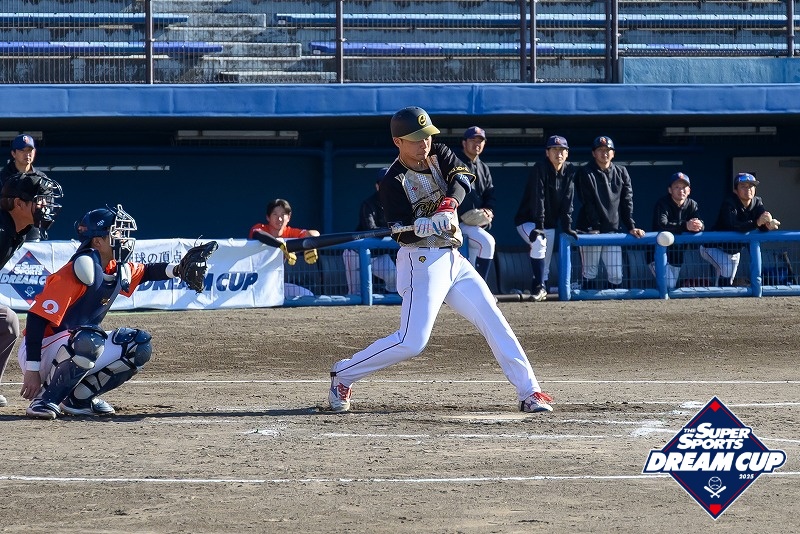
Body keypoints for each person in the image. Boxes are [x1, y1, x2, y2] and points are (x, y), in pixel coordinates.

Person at [327, 106, 553, 414]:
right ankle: (343, 374)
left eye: (427, 136)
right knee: (412, 342)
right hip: (420, 262)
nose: (424, 143)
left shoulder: (439, 152)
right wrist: (416, 227)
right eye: (416, 139)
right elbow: (401, 233)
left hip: (454, 259)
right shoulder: (393, 181)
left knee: (493, 318)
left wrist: (448, 205)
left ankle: (530, 391)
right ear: (398, 142)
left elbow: (463, 178)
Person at [20, 204, 210, 419]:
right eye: (116, 233)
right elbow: (36, 318)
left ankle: (78, 399)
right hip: (42, 349)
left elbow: (147, 271)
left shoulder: (114, 267)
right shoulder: (77, 271)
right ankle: (45, 400)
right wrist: (32, 370)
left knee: (137, 344)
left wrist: (178, 269)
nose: (123, 238)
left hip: (76, 344)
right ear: (98, 241)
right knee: (90, 339)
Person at [0, 172, 63, 409]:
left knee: (7, 323)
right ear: (18, 203)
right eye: (39, 200)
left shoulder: (17, 230)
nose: (45, 205)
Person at [575, 136, 645, 289]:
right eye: (600, 150)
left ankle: (611, 305)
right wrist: (595, 226)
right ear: (593, 153)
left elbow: (627, 201)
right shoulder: (585, 172)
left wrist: (631, 226)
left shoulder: (621, 171)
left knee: (616, 274)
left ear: (613, 153)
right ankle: (583, 302)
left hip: (612, 230)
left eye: (607, 150)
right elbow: (587, 202)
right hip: (590, 230)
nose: (604, 153)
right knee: (590, 272)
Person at [514, 135, 577, 301]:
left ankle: (539, 290)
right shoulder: (540, 168)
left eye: (562, 150)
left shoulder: (570, 170)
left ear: (567, 153)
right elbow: (538, 198)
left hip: (548, 224)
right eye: (554, 149)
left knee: (545, 264)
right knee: (539, 242)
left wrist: (567, 225)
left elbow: (568, 200)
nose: (558, 153)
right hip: (527, 221)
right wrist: (539, 225)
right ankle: (540, 287)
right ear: (547, 152)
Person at [699, 172, 780, 287]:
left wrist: (768, 225)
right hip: (713, 247)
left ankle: (720, 295)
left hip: (734, 250)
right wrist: (757, 222)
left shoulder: (757, 202)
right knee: (726, 269)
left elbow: (761, 223)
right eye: (743, 186)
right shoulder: (729, 203)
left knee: (728, 280)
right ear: (736, 190)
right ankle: (720, 295)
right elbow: (733, 226)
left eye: (751, 186)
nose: (748, 189)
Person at [249, 198, 320, 297]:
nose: (279, 219)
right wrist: (281, 245)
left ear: (289, 218)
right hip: (253, 284)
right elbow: (258, 234)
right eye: (275, 214)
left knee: (308, 295)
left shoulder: (290, 232)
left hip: (276, 283)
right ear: (268, 217)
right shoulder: (260, 228)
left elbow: (314, 233)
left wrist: (311, 245)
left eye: (283, 215)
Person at [342, 168, 398, 295]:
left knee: (394, 277)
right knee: (356, 292)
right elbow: (371, 229)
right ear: (377, 186)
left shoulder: (397, 204)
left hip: (378, 255)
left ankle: (388, 303)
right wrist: (392, 231)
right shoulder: (368, 204)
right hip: (356, 253)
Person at [650, 172, 704, 289]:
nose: (681, 190)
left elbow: (699, 223)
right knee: (668, 285)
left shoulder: (692, 204)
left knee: (671, 286)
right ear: (670, 190)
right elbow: (662, 224)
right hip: (657, 255)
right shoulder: (662, 203)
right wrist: (686, 226)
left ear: (689, 190)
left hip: (677, 255)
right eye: (677, 187)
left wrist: (699, 225)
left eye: (684, 187)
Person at [456, 126, 496, 282]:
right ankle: (481, 287)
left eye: (480, 141)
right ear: (464, 143)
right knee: (487, 242)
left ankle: (477, 289)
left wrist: (488, 210)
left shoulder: (483, 167)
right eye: (473, 140)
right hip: (457, 223)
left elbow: (490, 195)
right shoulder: (456, 163)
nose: (477, 144)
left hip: (475, 225)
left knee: (474, 260)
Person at [0, 134, 54, 241]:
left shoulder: (41, 178)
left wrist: (42, 208)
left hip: (32, 235)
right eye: (22, 150)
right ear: (13, 153)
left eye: (30, 150)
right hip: (5, 234)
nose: (27, 154)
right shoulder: (2, 177)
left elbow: (49, 205)